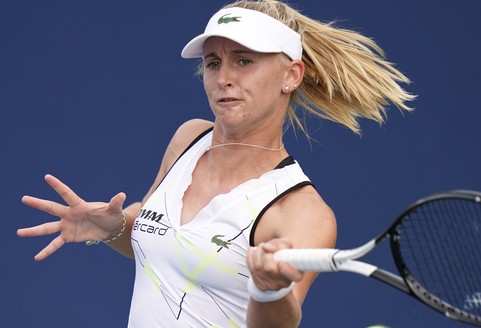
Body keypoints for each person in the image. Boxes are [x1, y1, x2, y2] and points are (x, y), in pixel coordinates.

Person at [17, 0, 414, 327]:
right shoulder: (188, 138)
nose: (223, 78)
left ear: (291, 75)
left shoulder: (301, 211)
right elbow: (164, 247)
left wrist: (269, 288)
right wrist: (114, 228)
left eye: (243, 61)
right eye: (212, 63)